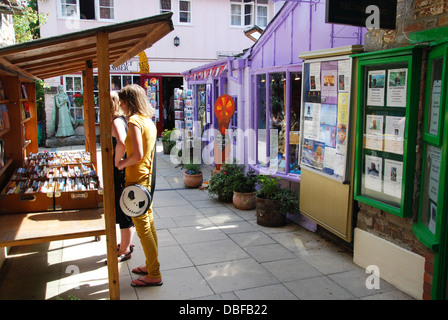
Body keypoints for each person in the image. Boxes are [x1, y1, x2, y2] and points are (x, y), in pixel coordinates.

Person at [117, 84, 162, 287]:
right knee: (149, 226)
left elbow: (137, 155)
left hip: (136, 180)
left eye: (122, 101)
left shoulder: (134, 121)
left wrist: (120, 164)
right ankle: (151, 265)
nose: (120, 105)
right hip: (146, 179)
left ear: (128, 102)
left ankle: (154, 273)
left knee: (143, 228)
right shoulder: (148, 121)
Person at [110, 92, 134, 263]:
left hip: (119, 171)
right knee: (123, 207)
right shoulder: (122, 119)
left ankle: (125, 249)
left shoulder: (116, 121)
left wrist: (117, 161)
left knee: (122, 209)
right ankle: (126, 244)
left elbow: (122, 142)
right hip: (121, 170)